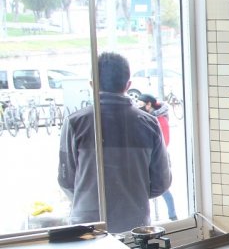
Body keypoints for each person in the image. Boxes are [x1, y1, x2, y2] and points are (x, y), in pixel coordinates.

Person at [58, 52, 172, 234]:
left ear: (92, 84)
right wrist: (132, 196)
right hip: (135, 227)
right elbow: (161, 181)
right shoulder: (149, 124)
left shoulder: (75, 123)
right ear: (128, 85)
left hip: (87, 228)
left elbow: (66, 180)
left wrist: (88, 198)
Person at [138, 93, 178, 221]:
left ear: (148, 104)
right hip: (153, 157)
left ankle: (173, 215)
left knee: (164, 189)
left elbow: (164, 141)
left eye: (140, 104)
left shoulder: (159, 120)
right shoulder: (151, 118)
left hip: (158, 157)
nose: (138, 107)